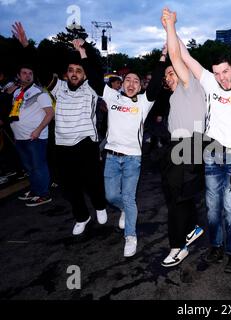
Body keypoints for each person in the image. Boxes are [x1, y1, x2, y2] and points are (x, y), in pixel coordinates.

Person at [177, 13, 231, 274]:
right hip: (212, 155)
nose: (221, 78)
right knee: (213, 209)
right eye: (217, 73)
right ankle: (215, 246)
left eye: (225, 71)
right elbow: (186, 57)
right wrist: (172, 29)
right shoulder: (209, 83)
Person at [12, 22, 109, 235]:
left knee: (92, 181)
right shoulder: (59, 88)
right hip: (63, 144)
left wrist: (83, 52)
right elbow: (40, 69)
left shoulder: (91, 89)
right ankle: (82, 216)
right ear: (66, 75)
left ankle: (100, 206)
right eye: (71, 71)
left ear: (84, 75)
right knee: (70, 186)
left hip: (86, 141)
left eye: (79, 71)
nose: (74, 74)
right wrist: (27, 46)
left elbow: (94, 72)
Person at [102, 46, 165, 257]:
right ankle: (123, 210)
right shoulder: (112, 98)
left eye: (136, 81)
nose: (131, 84)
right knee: (111, 196)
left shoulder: (144, 103)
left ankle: (130, 236)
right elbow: (93, 78)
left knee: (129, 198)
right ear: (121, 83)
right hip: (111, 156)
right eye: (128, 80)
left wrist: (162, 56)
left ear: (140, 87)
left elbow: (156, 82)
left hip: (132, 159)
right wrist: (83, 54)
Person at [159, 8, 207, 267]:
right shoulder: (175, 97)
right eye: (166, 75)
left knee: (176, 201)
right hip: (179, 148)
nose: (169, 76)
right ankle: (193, 227)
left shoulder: (191, 85)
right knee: (178, 195)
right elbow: (179, 54)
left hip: (190, 146)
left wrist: (170, 26)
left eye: (171, 71)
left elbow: (179, 55)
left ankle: (178, 247)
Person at [8, 62, 54, 206]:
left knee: (38, 165)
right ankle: (35, 190)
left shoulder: (39, 92)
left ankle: (44, 194)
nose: (27, 76)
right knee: (29, 167)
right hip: (20, 137)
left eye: (30, 73)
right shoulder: (16, 92)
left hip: (35, 137)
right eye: (24, 73)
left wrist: (38, 130)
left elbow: (50, 113)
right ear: (18, 76)